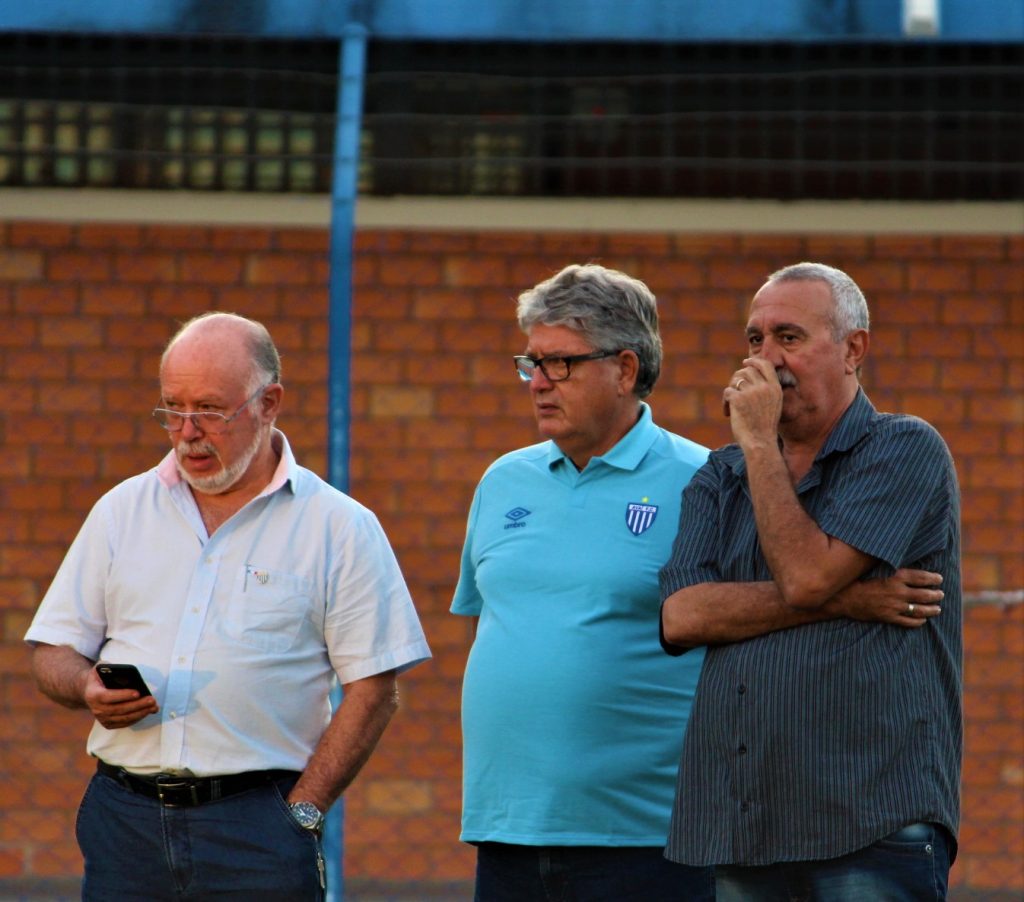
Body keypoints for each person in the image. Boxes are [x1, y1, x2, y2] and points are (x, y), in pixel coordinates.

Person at [25, 311, 431, 901]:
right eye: (172, 409)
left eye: (211, 410)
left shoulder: (338, 527)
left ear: (269, 404)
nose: (187, 431)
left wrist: (304, 813)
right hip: (123, 822)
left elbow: (374, 688)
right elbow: (52, 650)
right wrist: (87, 685)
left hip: (257, 830)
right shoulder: (121, 511)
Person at [660, 262, 962, 900]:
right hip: (745, 823)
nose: (766, 361)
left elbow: (804, 576)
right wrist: (854, 600)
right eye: (754, 340)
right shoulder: (719, 477)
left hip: (870, 821)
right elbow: (682, 617)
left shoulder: (902, 448)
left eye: (788, 338)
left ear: (854, 349)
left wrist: (760, 447)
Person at [451, 263, 715, 901]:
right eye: (530, 362)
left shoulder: (704, 481)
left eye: (559, 364)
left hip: (648, 843)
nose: (538, 383)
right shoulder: (503, 481)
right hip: (507, 833)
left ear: (625, 369)